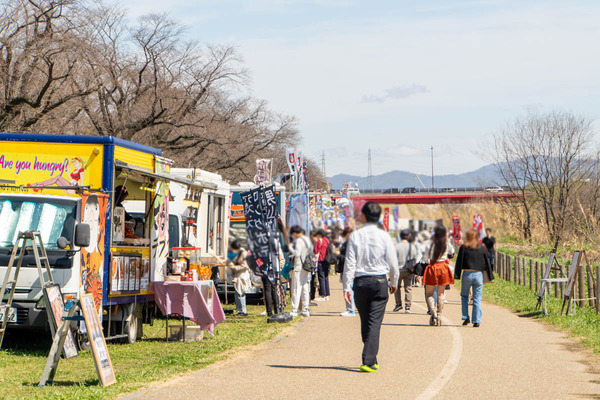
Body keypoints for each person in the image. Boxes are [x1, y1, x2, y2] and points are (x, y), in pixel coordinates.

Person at [343, 202, 399, 372]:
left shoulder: (355, 236)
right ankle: (369, 361)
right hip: (380, 282)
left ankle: (369, 359)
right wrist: (394, 282)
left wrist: (347, 286)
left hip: (360, 282)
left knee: (365, 321)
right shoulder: (385, 236)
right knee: (374, 323)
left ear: (364, 216)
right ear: (379, 217)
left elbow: (350, 263)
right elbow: (393, 263)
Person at [454, 229, 494, 327]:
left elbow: (459, 261)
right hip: (478, 275)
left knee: (464, 296)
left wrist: (457, 274)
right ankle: (476, 320)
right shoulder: (482, 247)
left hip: (467, 273)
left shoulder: (464, 247)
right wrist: (490, 275)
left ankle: (466, 317)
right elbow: (487, 260)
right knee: (477, 298)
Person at [423, 226, 455, 326]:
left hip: (432, 268)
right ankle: (439, 315)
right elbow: (452, 252)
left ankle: (432, 312)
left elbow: (425, 258)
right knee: (441, 294)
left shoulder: (429, 244)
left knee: (429, 294)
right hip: (443, 268)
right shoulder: (447, 244)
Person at [393, 229, 418, 313]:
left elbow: (392, 259)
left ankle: (398, 304)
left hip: (398, 270)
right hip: (408, 270)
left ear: (400, 236)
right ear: (408, 236)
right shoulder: (412, 246)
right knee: (408, 288)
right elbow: (416, 258)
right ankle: (408, 307)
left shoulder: (396, 246)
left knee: (397, 287)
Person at [289, 226, 312, 317]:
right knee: (305, 287)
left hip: (299, 267)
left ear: (295, 233)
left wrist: (291, 249)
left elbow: (297, 254)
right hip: (306, 267)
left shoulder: (299, 241)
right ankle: (305, 308)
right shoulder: (307, 240)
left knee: (296, 288)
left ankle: (294, 310)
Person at [228, 240, 252, 316]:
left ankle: (242, 311)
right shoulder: (240, 253)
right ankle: (240, 310)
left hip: (242, 276)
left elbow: (245, 266)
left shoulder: (244, 254)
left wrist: (234, 267)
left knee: (240, 293)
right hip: (239, 276)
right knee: (238, 293)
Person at [336, 227, 355, 317]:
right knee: (350, 289)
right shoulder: (348, 243)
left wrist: (338, 255)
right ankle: (351, 308)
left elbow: (348, 259)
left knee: (348, 289)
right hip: (346, 268)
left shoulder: (350, 244)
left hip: (348, 269)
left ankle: (350, 309)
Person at [313, 229, 331, 301]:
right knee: (326, 277)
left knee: (321, 277)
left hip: (321, 259)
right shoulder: (327, 240)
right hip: (327, 260)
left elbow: (315, 251)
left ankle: (322, 294)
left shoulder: (319, 241)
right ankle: (327, 294)